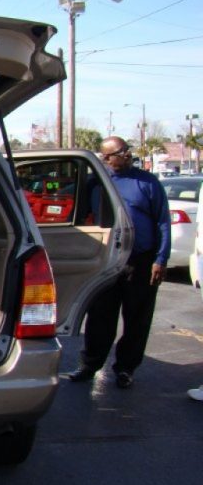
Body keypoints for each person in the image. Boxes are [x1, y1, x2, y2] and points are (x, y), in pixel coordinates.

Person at [67, 136, 171, 389]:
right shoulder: (96, 184)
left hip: (141, 260)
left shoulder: (147, 182)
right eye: (120, 152)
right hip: (107, 261)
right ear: (106, 158)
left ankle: (125, 368)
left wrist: (161, 259)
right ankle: (89, 365)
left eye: (126, 150)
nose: (126, 154)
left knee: (137, 317)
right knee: (100, 316)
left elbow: (163, 222)